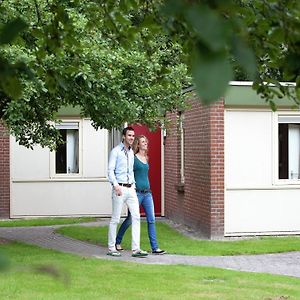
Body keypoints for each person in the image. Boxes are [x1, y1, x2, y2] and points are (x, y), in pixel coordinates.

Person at [116, 135, 166, 255]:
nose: (145, 143)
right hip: (136, 193)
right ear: (138, 144)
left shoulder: (146, 157)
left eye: (146, 141)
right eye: (143, 142)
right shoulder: (133, 158)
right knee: (130, 219)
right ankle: (117, 242)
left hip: (147, 193)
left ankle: (155, 248)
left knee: (151, 220)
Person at [107, 127, 148, 257]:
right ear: (124, 136)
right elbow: (110, 170)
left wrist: (134, 186)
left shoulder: (131, 153)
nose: (131, 138)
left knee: (136, 217)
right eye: (129, 135)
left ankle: (136, 249)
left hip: (131, 189)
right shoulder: (116, 151)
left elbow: (131, 172)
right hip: (119, 188)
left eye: (133, 136)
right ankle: (111, 248)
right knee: (116, 219)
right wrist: (115, 185)